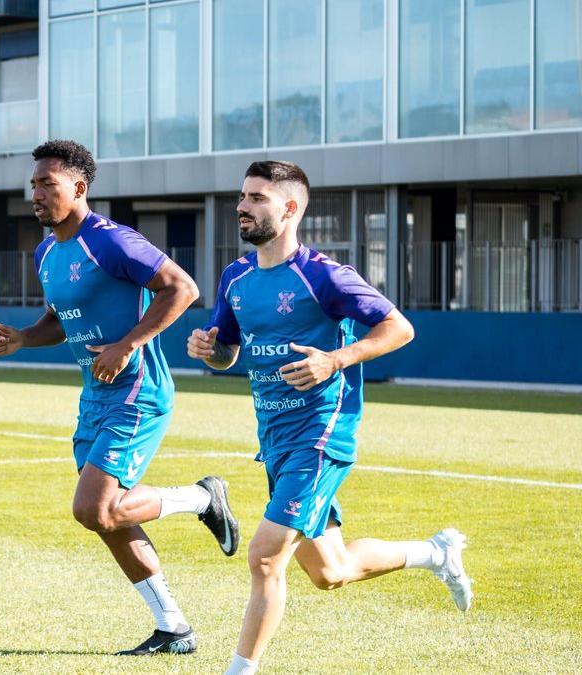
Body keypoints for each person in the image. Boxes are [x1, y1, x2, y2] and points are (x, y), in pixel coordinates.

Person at [186, 161, 472, 675]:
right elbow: (227, 353)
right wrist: (208, 350)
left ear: (290, 208)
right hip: (274, 438)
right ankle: (435, 553)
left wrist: (335, 359)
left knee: (265, 557)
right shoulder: (235, 277)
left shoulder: (324, 275)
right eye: (242, 196)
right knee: (330, 571)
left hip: (321, 435)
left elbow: (399, 328)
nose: (241, 207)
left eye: (256, 198)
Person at [0, 140, 239, 655]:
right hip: (96, 397)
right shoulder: (47, 252)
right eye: (33, 184)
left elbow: (181, 288)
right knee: (108, 518)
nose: (35, 193)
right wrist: (22, 337)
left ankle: (200, 498)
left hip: (137, 392)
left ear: (78, 188)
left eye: (47, 184)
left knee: (94, 508)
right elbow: (60, 321)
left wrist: (128, 343)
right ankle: (174, 628)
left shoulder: (111, 240)